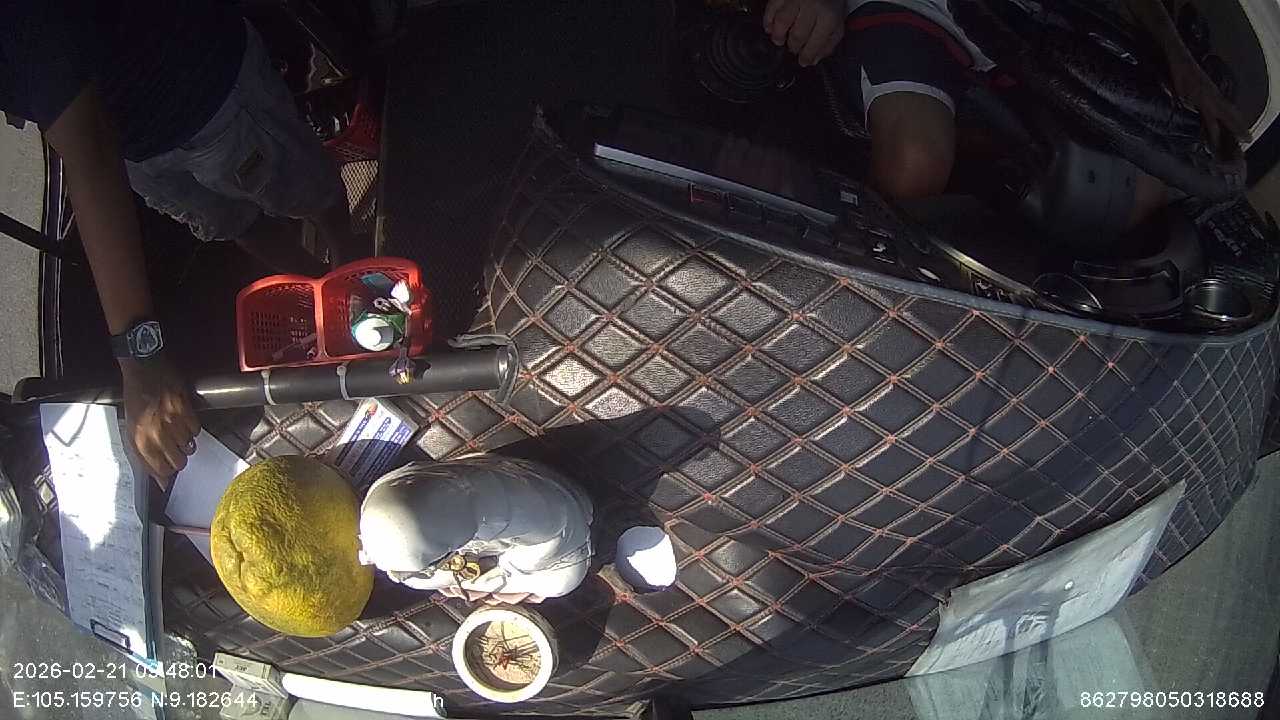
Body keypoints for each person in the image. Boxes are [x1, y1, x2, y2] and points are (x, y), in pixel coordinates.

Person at [2, 1, 364, 482]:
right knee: (226, 223)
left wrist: (141, 358)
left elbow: (88, 153)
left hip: (204, 92)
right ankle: (316, 280)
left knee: (302, 189)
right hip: (137, 150)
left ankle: (350, 256)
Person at [760, 0, 1252, 206]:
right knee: (915, 166)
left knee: (1133, 194)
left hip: (1018, 32)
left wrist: (1182, 64)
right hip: (914, 9)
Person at [359, 456, 596, 605]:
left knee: (562, 582)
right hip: (470, 528)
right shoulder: (390, 489)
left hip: (556, 531)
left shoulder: (521, 509)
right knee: (415, 582)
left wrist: (507, 570)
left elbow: (553, 538)